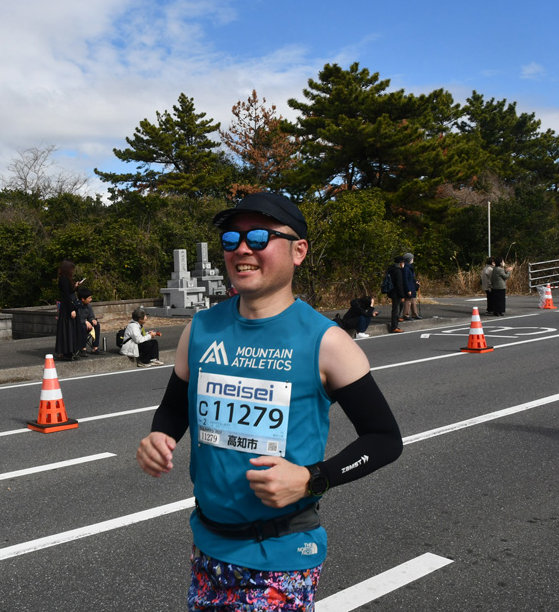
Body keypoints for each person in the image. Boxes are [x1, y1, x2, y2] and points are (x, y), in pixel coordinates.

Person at [136, 191, 403, 611]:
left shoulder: (327, 342)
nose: (242, 248)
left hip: (281, 554)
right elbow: (173, 407)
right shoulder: (201, 329)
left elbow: (384, 438)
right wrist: (159, 436)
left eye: (259, 236)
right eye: (232, 238)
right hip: (207, 546)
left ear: (299, 251)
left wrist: (314, 478)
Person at [54, 259, 86, 360]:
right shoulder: (63, 279)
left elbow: (69, 291)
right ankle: (67, 352)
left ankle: (70, 351)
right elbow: (66, 296)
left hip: (68, 305)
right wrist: (71, 309)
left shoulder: (66, 279)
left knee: (70, 329)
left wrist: (75, 286)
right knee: (68, 329)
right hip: (67, 307)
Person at [76, 287, 103, 355]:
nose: (91, 299)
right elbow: (76, 318)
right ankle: (83, 348)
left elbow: (91, 316)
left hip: (87, 324)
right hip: (77, 326)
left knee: (97, 325)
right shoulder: (76, 306)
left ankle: (95, 348)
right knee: (83, 327)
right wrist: (85, 321)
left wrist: (93, 320)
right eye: (89, 298)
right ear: (83, 299)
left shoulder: (88, 306)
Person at [386, 256, 406, 333]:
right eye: (403, 262)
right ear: (400, 263)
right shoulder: (398, 271)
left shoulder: (391, 269)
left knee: (395, 308)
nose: (403, 264)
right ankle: (394, 326)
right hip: (396, 293)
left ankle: (395, 324)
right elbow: (399, 284)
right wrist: (402, 295)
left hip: (391, 291)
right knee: (395, 310)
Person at [401, 252, 422, 320]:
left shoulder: (409, 267)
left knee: (413, 301)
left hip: (412, 285)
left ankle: (414, 314)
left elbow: (410, 278)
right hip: (409, 286)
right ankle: (406, 314)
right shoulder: (406, 268)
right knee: (408, 301)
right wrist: (408, 289)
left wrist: (415, 281)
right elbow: (405, 279)